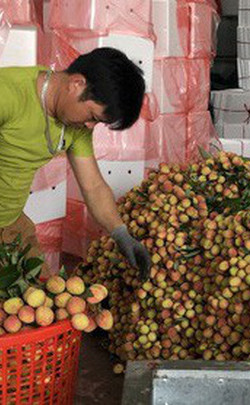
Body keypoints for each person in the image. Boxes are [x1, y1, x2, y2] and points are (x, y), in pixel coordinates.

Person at [0, 47, 151, 281]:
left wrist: (121, 234)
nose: (91, 127)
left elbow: (93, 186)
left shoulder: (74, 125)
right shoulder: (9, 94)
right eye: (92, 117)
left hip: (9, 222)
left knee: (45, 301)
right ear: (77, 84)